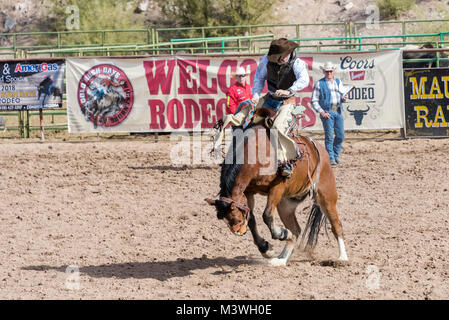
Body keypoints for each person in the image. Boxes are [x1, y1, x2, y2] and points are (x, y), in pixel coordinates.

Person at [212, 38, 310, 178]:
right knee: (250, 121)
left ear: (287, 55)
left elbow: (304, 80)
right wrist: (256, 96)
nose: (277, 61)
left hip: (287, 101)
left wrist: (289, 90)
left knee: (278, 127)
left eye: (279, 58)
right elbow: (259, 78)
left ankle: (285, 162)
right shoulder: (266, 60)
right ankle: (242, 156)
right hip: (269, 97)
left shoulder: (298, 64)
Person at [311, 61, 348, 166]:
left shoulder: (338, 82)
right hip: (327, 111)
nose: (329, 73)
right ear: (323, 71)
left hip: (338, 110)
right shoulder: (319, 84)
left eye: (330, 71)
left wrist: (344, 98)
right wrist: (322, 111)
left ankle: (335, 156)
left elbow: (342, 96)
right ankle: (331, 158)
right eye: (327, 71)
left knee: (340, 135)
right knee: (329, 136)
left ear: (333, 71)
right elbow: (314, 100)